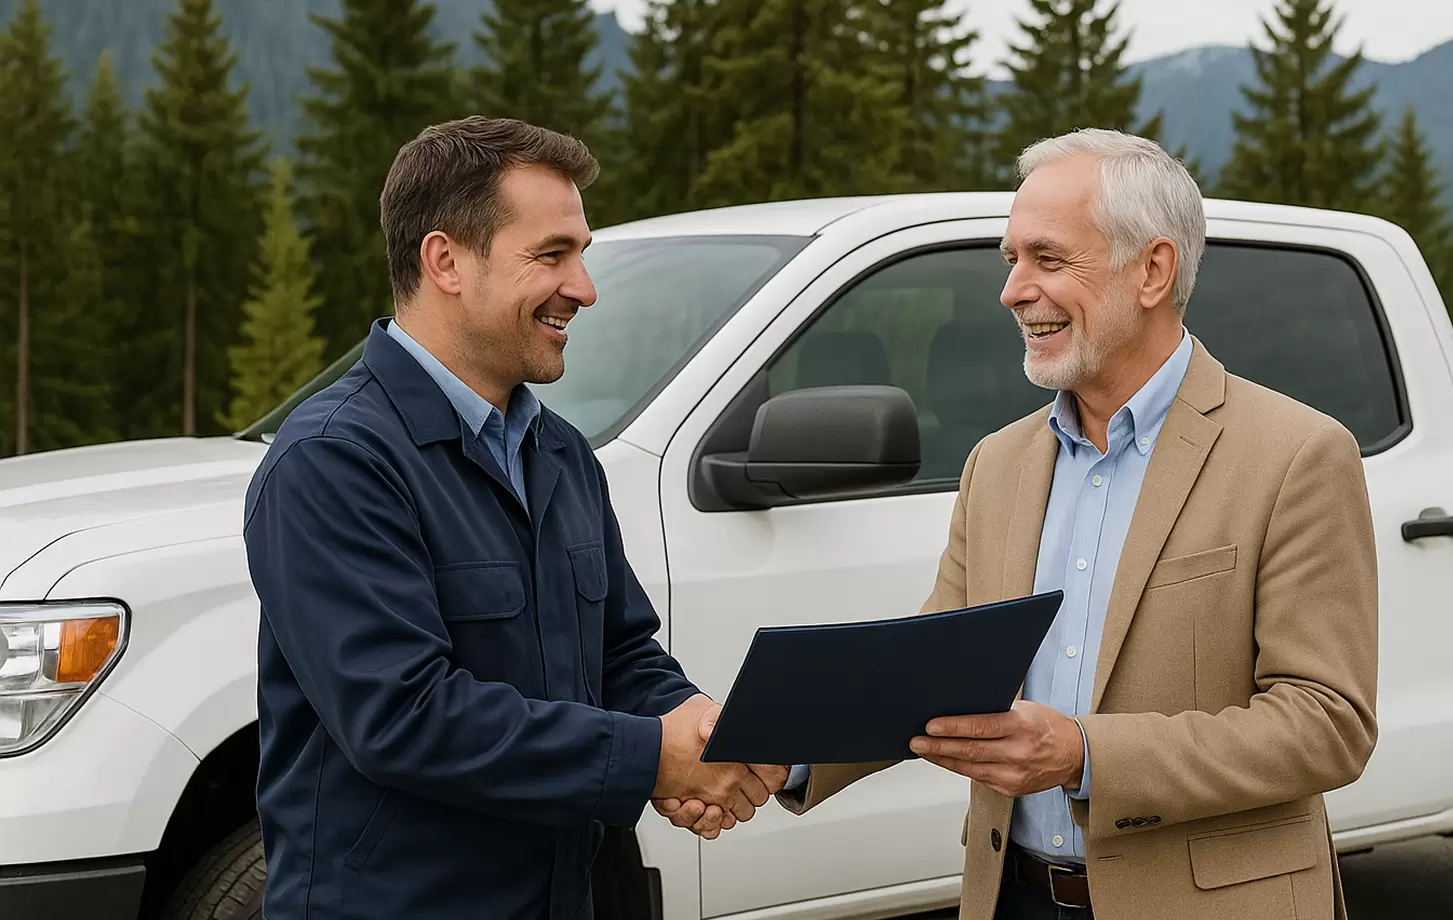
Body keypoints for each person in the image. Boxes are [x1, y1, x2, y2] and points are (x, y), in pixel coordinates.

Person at [657, 128, 1380, 918]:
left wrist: (1084, 754)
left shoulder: (1297, 455)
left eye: (1048, 257)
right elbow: (926, 675)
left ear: (1153, 269)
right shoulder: (997, 465)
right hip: (1012, 896)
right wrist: (775, 754)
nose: (1013, 290)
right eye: (1011, 260)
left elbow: (1327, 722)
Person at [242, 116, 785, 920]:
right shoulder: (335, 460)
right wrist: (652, 759)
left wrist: (697, 725)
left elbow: (620, 653)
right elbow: (402, 716)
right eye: (552, 255)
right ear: (445, 261)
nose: (585, 287)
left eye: (582, 255)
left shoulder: (557, 453)